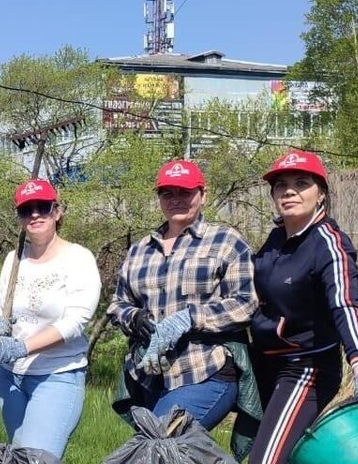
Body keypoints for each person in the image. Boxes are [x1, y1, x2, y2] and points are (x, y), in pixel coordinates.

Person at [244, 149, 358, 464]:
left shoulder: (329, 242)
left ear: (321, 192)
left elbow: (345, 304)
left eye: (301, 183)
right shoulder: (277, 238)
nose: (289, 192)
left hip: (305, 368)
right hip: (268, 366)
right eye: (281, 185)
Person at [107, 159, 260, 431]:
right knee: (170, 459)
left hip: (206, 369)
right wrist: (135, 318)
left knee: (159, 447)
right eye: (168, 193)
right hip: (151, 374)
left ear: (203, 194)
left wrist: (189, 319)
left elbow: (246, 303)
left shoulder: (226, 241)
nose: (176, 199)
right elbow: (118, 304)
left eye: (185, 192)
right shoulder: (140, 250)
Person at [0, 178, 101, 457]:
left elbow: (74, 323)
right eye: (27, 210)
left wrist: (22, 347)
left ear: (58, 211)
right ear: (19, 217)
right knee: (18, 461)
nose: (35, 214)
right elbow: (0, 307)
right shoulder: (14, 260)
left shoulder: (78, 259)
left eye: (43, 207)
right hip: (10, 378)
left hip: (57, 375)